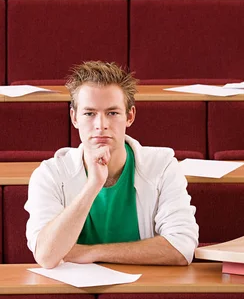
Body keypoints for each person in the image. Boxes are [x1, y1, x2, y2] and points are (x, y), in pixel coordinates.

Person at [25, 61, 199, 269]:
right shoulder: (49, 174)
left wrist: (93, 252)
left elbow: (182, 248)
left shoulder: (162, 166)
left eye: (112, 113)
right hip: (73, 293)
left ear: (130, 116)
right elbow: (45, 256)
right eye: (89, 113)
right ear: (74, 118)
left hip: (144, 289)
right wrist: (92, 186)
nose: (101, 125)